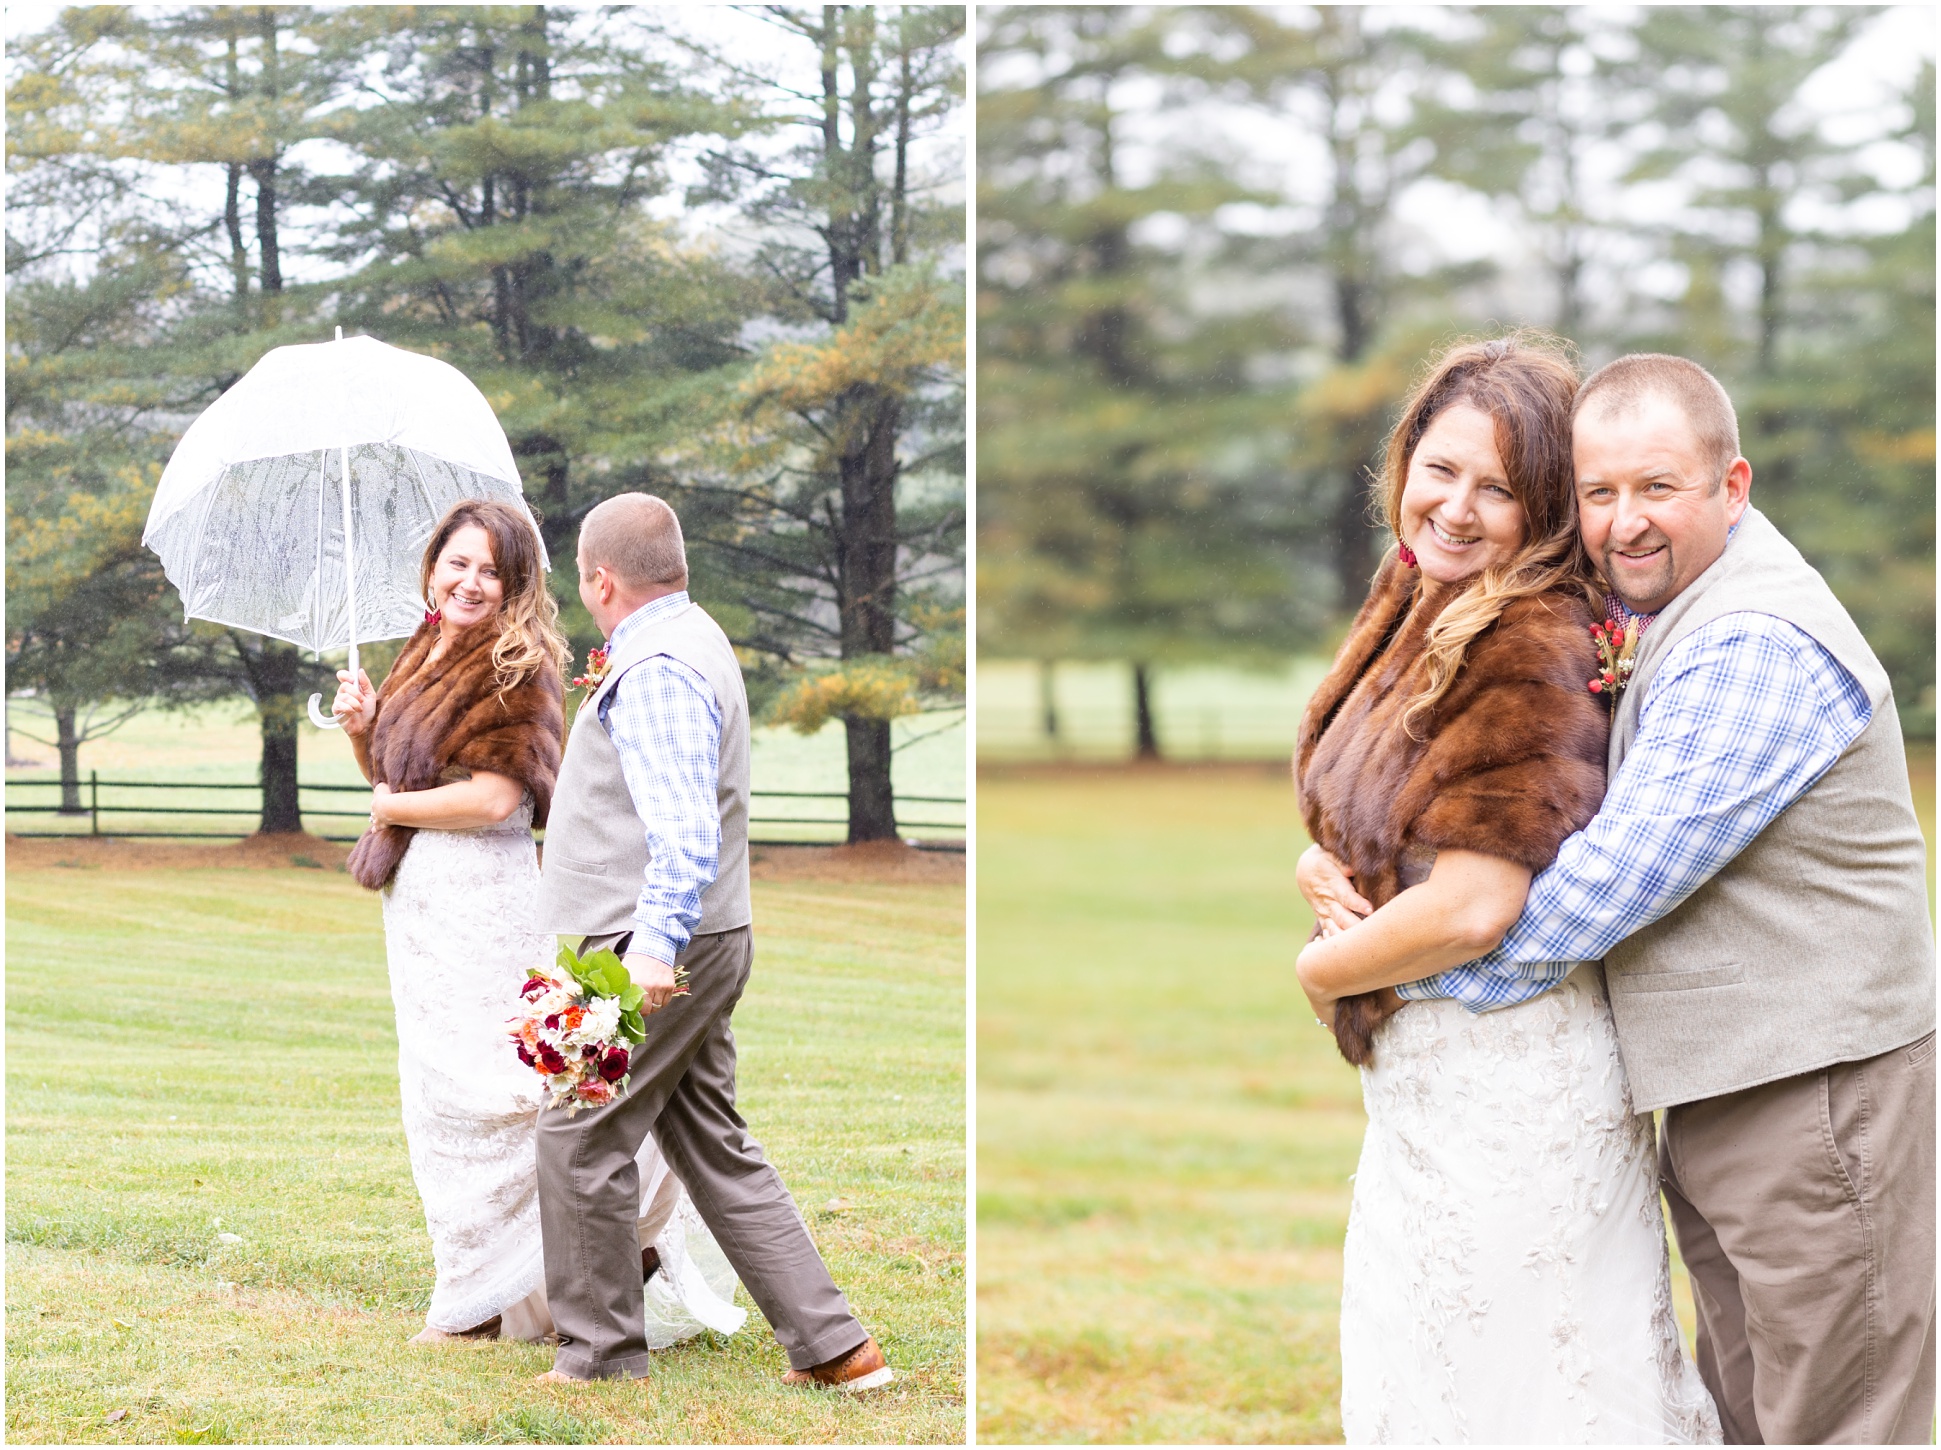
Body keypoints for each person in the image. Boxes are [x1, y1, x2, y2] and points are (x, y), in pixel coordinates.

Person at [1316, 354, 1934, 1444]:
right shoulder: (1659, 609)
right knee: (1753, 1397)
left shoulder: (1751, 643)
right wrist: (1338, 881)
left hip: (1818, 1090)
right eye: (1600, 493)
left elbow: (1600, 887)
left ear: (1731, 487)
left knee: (1845, 1413)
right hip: (1729, 1084)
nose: (1624, 523)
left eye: (1658, 488)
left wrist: (1367, 974)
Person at [1291, 334, 1720, 1443]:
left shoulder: (1529, 633)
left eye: (1501, 489)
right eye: (1441, 468)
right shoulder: (1419, 595)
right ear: (1404, 461)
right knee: (1430, 1375)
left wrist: (1324, 966)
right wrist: (1318, 862)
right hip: (1426, 1083)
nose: (1457, 507)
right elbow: (1388, 809)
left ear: (1546, 511)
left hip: (1512, 1081)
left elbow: (1481, 900)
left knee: (1524, 1388)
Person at [333, 498, 745, 1347]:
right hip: (419, 903)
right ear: (432, 567)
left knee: (506, 1088)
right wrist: (366, 728)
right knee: (439, 1098)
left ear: (517, 582)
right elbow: (400, 774)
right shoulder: (424, 645)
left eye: (491, 569)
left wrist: (384, 800)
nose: (471, 583)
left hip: (485, 895)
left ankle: (569, 1266)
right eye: (457, 563)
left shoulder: (517, 662)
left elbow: (494, 800)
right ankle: (482, 1284)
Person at [529, 492, 894, 1390]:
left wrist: (650, 949)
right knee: (710, 1138)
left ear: (600, 579)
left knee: (578, 1132)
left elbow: (684, 829)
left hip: (650, 941)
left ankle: (601, 1357)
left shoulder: (653, 667)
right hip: (702, 933)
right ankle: (836, 1348)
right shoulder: (695, 634)